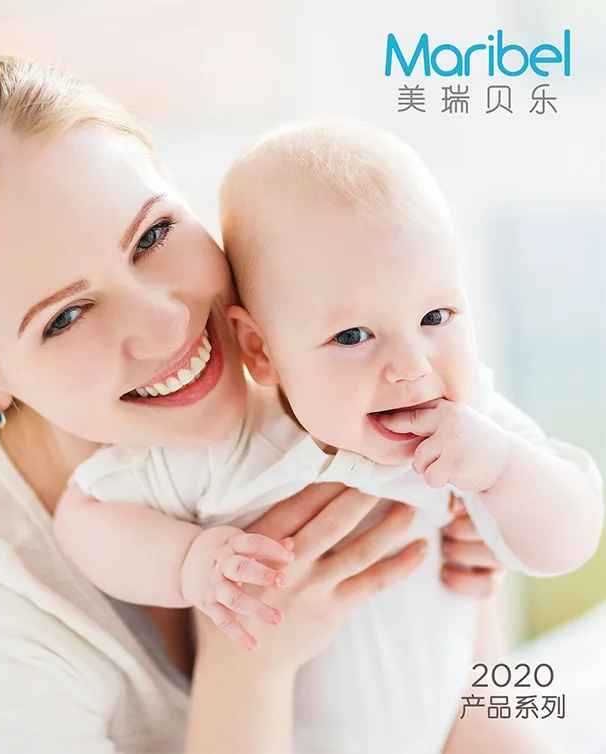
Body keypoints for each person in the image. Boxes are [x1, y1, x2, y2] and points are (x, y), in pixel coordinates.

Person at [0, 54, 507, 754]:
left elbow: (481, 724)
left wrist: (466, 575)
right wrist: (247, 665)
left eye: (152, 235)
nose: (167, 326)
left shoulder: (327, 380)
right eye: (66, 316)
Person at [55, 120, 603, 753]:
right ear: (261, 350)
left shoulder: (474, 429)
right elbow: (84, 514)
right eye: (352, 337)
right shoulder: (229, 449)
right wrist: (188, 563)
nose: (411, 366)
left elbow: (570, 539)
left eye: (435, 316)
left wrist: (505, 470)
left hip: (455, 728)